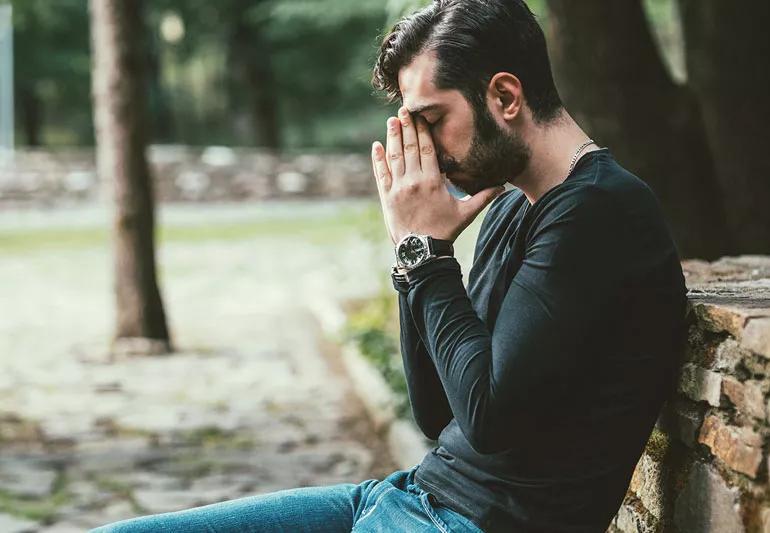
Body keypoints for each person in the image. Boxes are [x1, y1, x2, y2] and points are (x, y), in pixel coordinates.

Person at [93, 0, 688, 531]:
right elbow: (435, 412)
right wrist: (411, 254)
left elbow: (487, 418)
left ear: (505, 97)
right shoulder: (512, 208)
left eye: (431, 121)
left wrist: (425, 255)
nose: (423, 150)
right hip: (404, 496)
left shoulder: (599, 211)